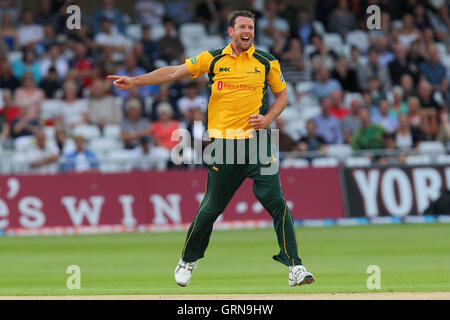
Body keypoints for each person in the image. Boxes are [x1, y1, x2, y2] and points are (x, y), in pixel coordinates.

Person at [108, 10, 315, 287]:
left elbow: (282, 96)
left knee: (277, 202)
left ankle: (295, 266)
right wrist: (135, 81)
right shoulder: (213, 58)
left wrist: (267, 119)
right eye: (242, 26)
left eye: (251, 27)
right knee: (211, 208)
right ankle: (188, 259)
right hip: (224, 146)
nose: (247, 31)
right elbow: (172, 72)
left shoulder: (267, 62)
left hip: (258, 143)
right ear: (231, 31)